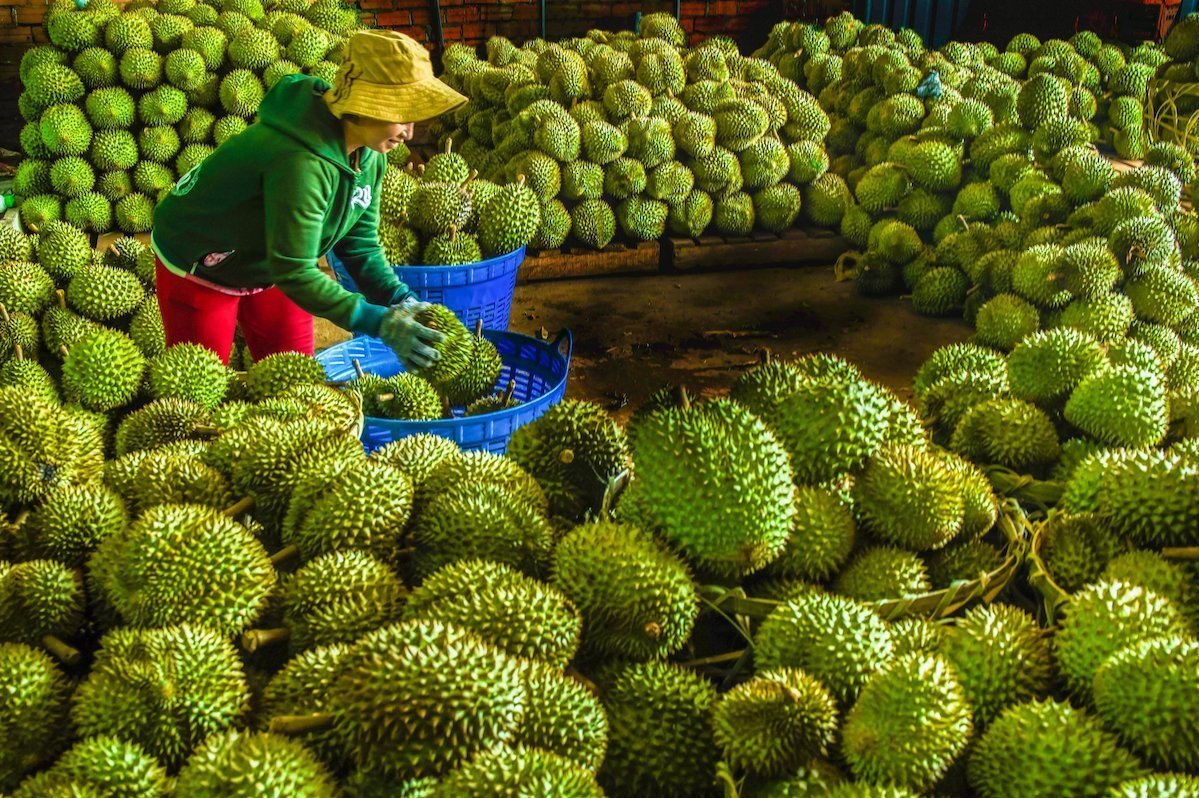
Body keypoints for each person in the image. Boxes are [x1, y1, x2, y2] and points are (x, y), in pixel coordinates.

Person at [151, 30, 467, 369]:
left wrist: (399, 299)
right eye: (400, 116)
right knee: (200, 386)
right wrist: (379, 322)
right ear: (365, 105)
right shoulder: (300, 163)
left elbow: (359, 246)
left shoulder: (370, 155)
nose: (410, 133)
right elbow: (296, 271)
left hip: (279, 262)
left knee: (296, 377)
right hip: (200, 258)